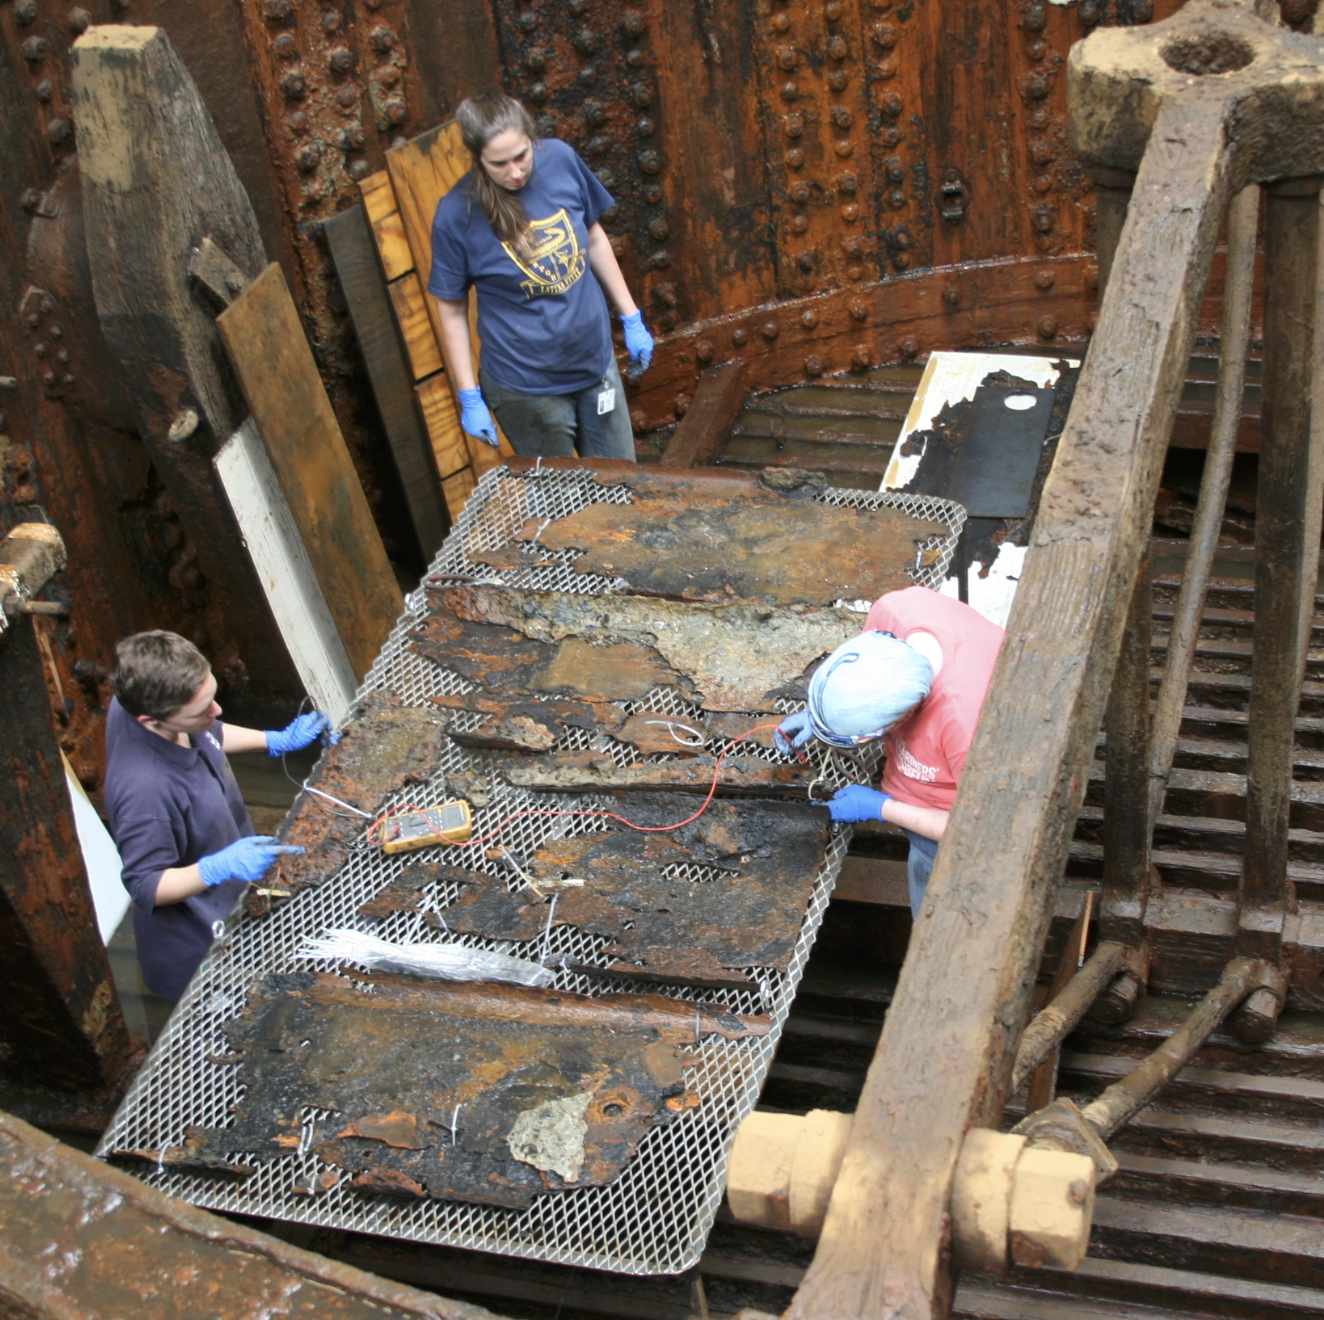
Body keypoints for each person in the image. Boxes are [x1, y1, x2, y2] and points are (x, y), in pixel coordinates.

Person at [104, 631, 335, 1000]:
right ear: (150, 720)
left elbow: (206, 730)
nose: (217, 713)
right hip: (196, 952)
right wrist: (217, 867)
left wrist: (273, 740)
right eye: (202, 711)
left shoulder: (137, 691)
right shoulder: (144, 793)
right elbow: (145, 884)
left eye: (212, 698)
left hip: (230, 894)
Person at [428, 91, 653, 461]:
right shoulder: (457, 214)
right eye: (499, 163)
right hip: (526, 387)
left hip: (594, 364)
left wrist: (631, 317)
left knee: (620, 489)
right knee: (564, 506)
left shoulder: (561, 160)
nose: (515, 172)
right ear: (478, 158)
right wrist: (468, 395)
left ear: (532, 139)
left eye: (521, 156)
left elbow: (593, 237)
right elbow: (451, 308)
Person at [776, 586, 1005, 917]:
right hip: (952, 756)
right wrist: (825, 713)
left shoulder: (971, 727)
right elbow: (866, 679)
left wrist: (885, 808)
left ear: (909, 714)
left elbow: (988, 830)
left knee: (938, 927)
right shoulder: (894, 613)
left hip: (961, 822)